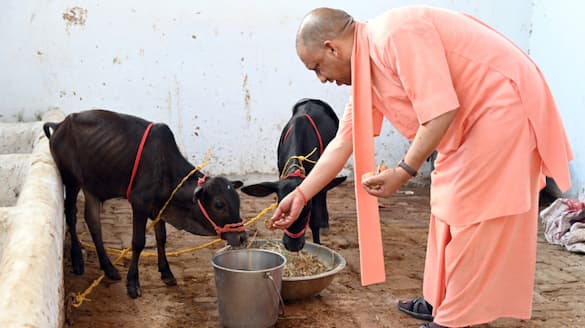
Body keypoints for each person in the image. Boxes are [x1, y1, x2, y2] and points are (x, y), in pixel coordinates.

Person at [270, 5, 573, 328]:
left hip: (503, 106)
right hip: (472, 119)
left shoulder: (394, 35)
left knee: (472, 213)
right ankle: (439, 298)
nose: (322, 78)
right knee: (445, 202)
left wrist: (403, 171)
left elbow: (441, 112)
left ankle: (454, 318)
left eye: (317, 66)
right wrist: (301, 194)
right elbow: (344, 142)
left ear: (333, 47)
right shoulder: (366, 68)